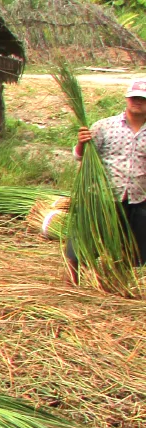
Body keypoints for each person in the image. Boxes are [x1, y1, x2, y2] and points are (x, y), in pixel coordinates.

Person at [69, 77, 146, 279]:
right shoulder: (104, 126)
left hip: (136, 198)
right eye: (134, 98)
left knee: (130, 247)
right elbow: (80, 156)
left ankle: (117, 281)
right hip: (101, 196)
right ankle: (72, 282)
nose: (138, 102)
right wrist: (81, 144)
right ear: (126, 99)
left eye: (143, 99)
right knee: (84, 241)